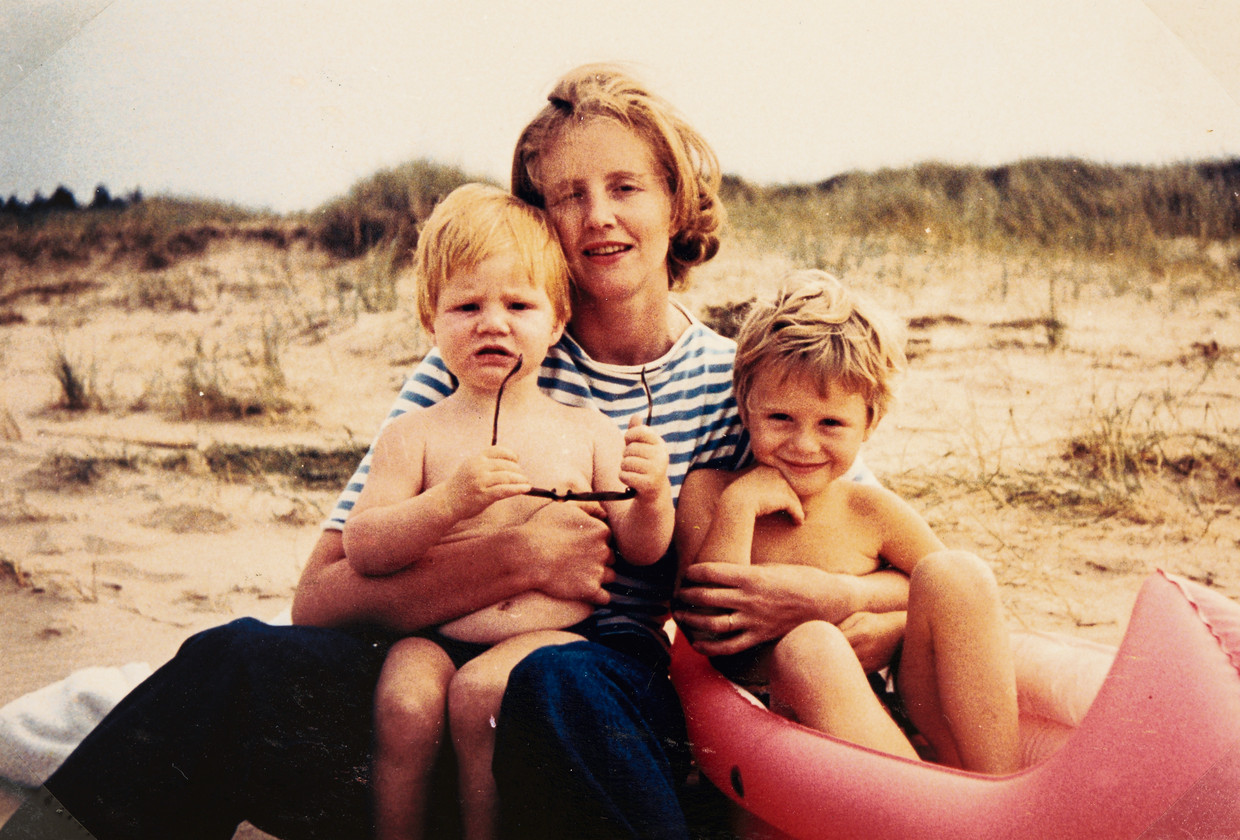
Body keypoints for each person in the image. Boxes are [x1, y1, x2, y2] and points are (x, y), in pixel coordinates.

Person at [1, 64, 907, 840]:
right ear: (536, 216)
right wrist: (503, 557)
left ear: (676, 199)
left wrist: (833, 594)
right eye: (566, 195)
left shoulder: (738, 382)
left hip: (605, 732)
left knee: (558, 684)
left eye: (626, 186)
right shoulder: (475, 361)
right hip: (431, 720)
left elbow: (885, 562)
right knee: (229, 659)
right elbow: (318, 597)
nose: (598, 218)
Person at [346, 182, 673, 840]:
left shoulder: (587, 430)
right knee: (405, 705)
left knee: (479, 697)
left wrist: (653, 494)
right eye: (466, 306)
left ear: (556, 322)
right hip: (435, 634)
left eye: (518, 304)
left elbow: (642, 549)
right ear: (429, 322)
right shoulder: (414, 435)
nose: (492, 323)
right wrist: (447, 503)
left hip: (556, 635)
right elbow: (365, 546)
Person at [675, 271, 1020, 774]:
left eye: (831, 423)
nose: (804, 445)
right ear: (745, 410)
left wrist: (884, 622)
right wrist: (741, 504)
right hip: (777, 723)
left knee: (958, 572)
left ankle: (1003, 794)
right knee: (811, 647)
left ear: (869, 423)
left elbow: (953, 606)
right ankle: (934, 816)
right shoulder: (712, 492)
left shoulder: (869, 510)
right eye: (780, 419)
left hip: (882, 716)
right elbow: (709, 628)